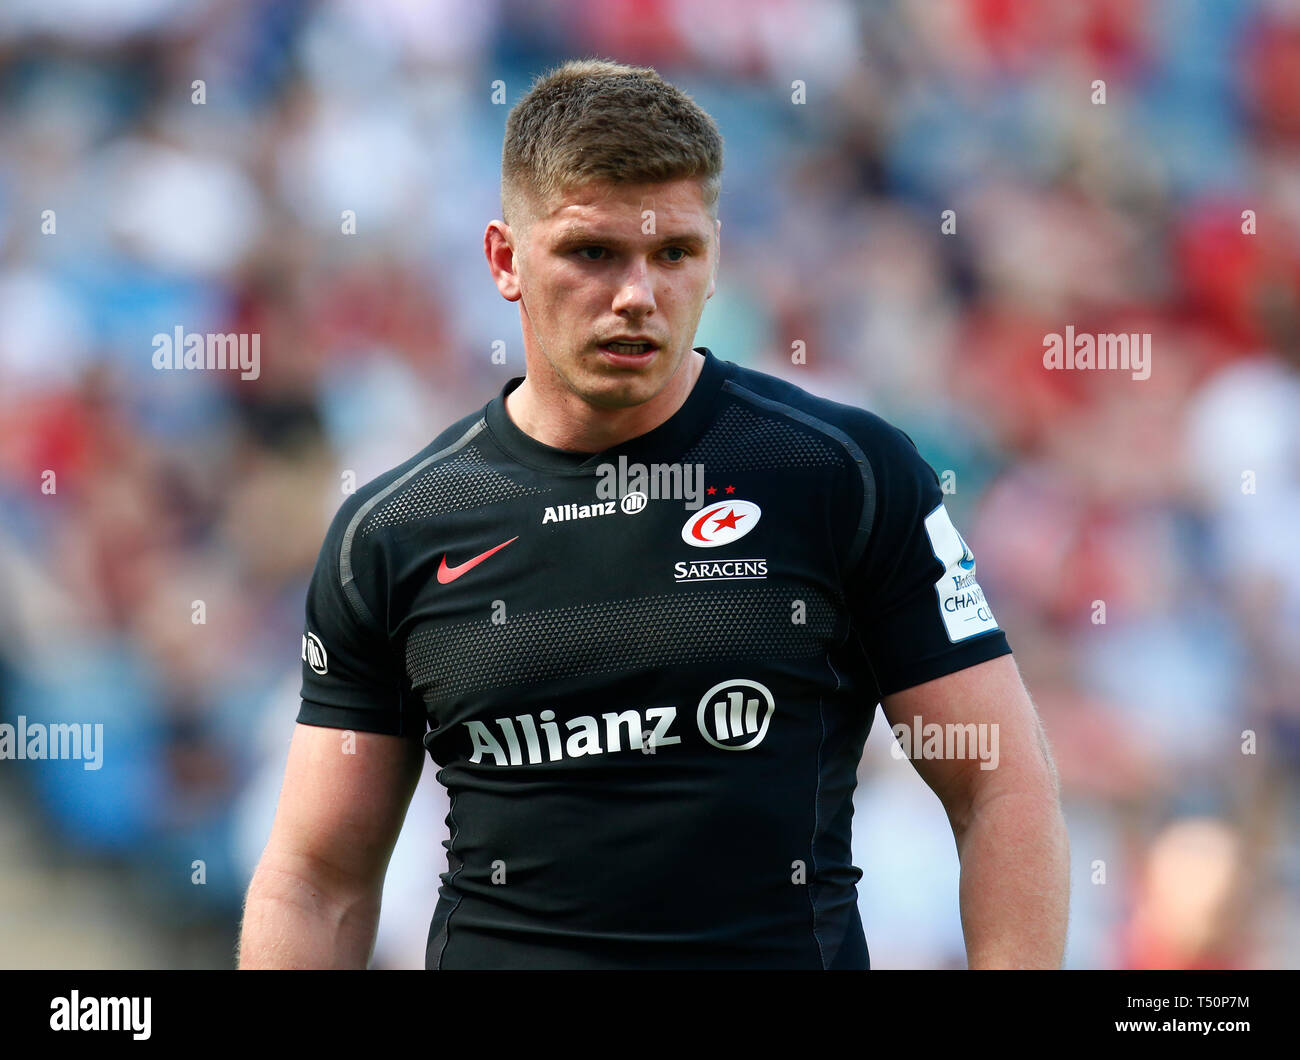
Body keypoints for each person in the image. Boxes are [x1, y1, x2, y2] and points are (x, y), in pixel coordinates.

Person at [237, 58, 1069, 970]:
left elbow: (1001, 784)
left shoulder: (844, 477)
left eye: (674, 252)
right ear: (506, 260)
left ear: (715, 259)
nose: (638, 294)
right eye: (593, 253)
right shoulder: (395, 532)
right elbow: (318, 878)